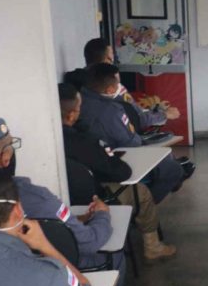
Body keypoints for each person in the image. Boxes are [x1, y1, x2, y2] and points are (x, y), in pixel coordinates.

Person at [59, 83, 176, 260]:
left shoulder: (49, 139)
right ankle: (153, 247)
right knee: (141, 192)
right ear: (72, 114)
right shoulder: (84, 141)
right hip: (93, 198)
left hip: (63, 199)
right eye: (79, 107)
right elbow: (122, 173)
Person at [79, 62, 186, 204]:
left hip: (93, 160)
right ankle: (144, 207)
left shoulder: (81, 99)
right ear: (110, 89)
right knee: (173, 168)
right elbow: (131, 143)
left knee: (168, 157)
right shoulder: (111, 111)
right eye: (118, 85)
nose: (120, 88)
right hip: (116, 159)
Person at [64, 37, 181, 129]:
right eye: (111, 56)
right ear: (108, 60)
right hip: (122, 135)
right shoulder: (111, 86)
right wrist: (165, 114)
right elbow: (138, 119)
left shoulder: (74, 81)